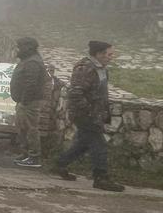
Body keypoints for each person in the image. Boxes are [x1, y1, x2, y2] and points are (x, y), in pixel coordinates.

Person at [53, 41, 124, 192]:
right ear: (98, 54)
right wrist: (90, 111)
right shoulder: (85, 68)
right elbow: (76, 93)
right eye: (109, 54)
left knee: (83, 144)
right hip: (85, 115)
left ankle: (59, 164)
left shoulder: (101, 69)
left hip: (94, 114)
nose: (111, 57)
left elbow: (99, 93)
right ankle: (101, 177)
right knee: (99, 145)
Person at [9, 36, 48, 168]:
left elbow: (31, 83)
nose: (17, 50)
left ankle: (34, 157)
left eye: (19, 47)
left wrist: (24, 101)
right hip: (25, 101)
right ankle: (25, 153)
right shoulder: (28, 60)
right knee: (23, 128)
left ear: (27, 48)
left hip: (29, 102)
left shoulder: (32, 63)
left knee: (31, 129)